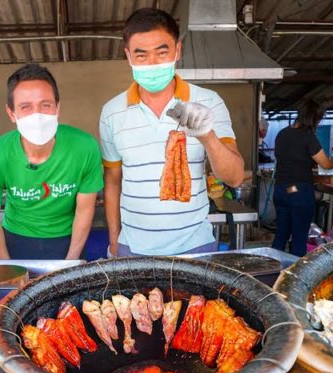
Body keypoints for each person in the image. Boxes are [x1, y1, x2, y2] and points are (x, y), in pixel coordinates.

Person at [100, 8, 244, 257]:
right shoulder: (111, 112)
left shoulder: (209, 101)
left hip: (195, 247)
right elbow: (112, 180)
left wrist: (207, 136)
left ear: (177, 50)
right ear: (128, 56)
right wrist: (114, 240)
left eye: (161, 52)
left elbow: (235, 177)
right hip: (132, 249)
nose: (152, 63)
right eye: (141, 55)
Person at [0, 64, 102, 260]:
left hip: (68, 239)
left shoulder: (85, 148)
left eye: (46, 105)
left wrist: (70, 262)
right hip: (16, 239)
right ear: (11, 113)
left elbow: (84, 210)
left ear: (57, 108)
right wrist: (7, 266)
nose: (37, 115)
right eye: (25, 107)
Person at [270, 100, 333, 256]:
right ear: (315, 118)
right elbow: (325, 163)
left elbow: (290, 157)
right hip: (299, 192)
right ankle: (296, 271)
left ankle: (273, 268)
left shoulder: (282, 133)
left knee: (280, 236)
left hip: (280, 190)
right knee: (299, 239)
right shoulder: (308, 137)